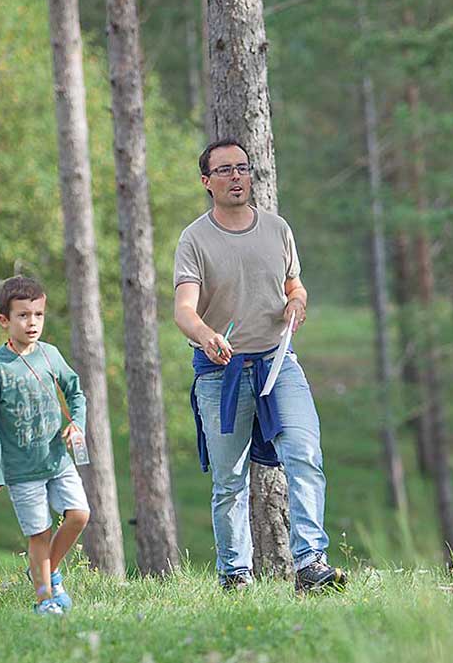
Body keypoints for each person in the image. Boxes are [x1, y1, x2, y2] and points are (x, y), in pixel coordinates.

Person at [173, 139, 347, 593]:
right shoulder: (195, 239)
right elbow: (184, 310)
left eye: (243, 168)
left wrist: (297, 302)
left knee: (305, 454)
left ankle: (310, 563)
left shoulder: (277, 229)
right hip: (221, 372)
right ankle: (237, 575)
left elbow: (295, 285)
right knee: (230, 480)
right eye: (225, 170)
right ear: (206, 181)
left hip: (278, 363)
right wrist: (207, 336)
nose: (236, 177)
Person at [0, 275, 91, 616]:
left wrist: (76, 423)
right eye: (23, 316)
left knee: (79, 515)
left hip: (57, 460)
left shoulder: (50, 355)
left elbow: (76, 392)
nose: (32, 323)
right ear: (4, 320)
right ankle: (45, 599)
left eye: (38, 315)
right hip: (22, 470)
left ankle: (45, 571)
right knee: (38, 533)